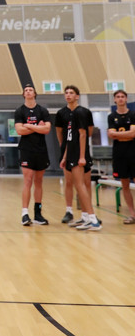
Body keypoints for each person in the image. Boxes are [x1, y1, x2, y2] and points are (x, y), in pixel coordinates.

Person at [54, 84, 101, 231]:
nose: (68, 95)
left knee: (81, 185)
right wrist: (64, 156)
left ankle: (93, 220)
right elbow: (69, 138)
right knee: (77, 185)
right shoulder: (68, 114)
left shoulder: (81, 112)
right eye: (66, 93)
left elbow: (83, 134)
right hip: (71, 152)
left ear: (77, 96)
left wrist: (82, 157)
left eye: (71, 93)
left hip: (79, 154)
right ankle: (86, 217)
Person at [14, 84, 51, 226]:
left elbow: (47, 129)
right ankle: (24, 214)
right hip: (26, 150)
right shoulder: (19, 111)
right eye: (26, 90)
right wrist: (37, 127)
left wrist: (28, 126)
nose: (28, 92)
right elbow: (19, 131)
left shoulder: (43, 110)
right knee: (28, 180)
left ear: (35, 93)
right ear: (23, 94)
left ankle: (38, 214)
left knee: (39, 182)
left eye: (31, 90)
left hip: (41, 150)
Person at [106, 89, 135, 224]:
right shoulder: (111, 117)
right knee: (124, 185)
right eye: (118, 97)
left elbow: (133, 134)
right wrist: (126, 134)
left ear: (126, 99)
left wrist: (117, 135)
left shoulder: (133, 114)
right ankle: (132, 214)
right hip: (119, 154)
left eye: (123, 96)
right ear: (115, 100)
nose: (120, 98)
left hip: (133, 152)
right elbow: (110, 134)